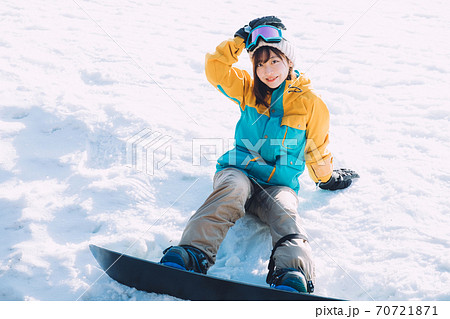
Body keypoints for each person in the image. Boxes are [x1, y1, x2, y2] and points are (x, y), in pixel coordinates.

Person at [160, 16, 359, 294]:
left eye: (274, 61)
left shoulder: (311, 104)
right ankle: (191, 253)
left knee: (285, 212)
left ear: (289, 61)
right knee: (230, 191)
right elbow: (215, 69)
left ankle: (292, 272)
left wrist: (326, 178)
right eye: (260, 63)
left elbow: (317, 148)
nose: (268, 71)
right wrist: (240, 39)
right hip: (239, 170)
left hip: (278, 185)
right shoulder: (248, 89)